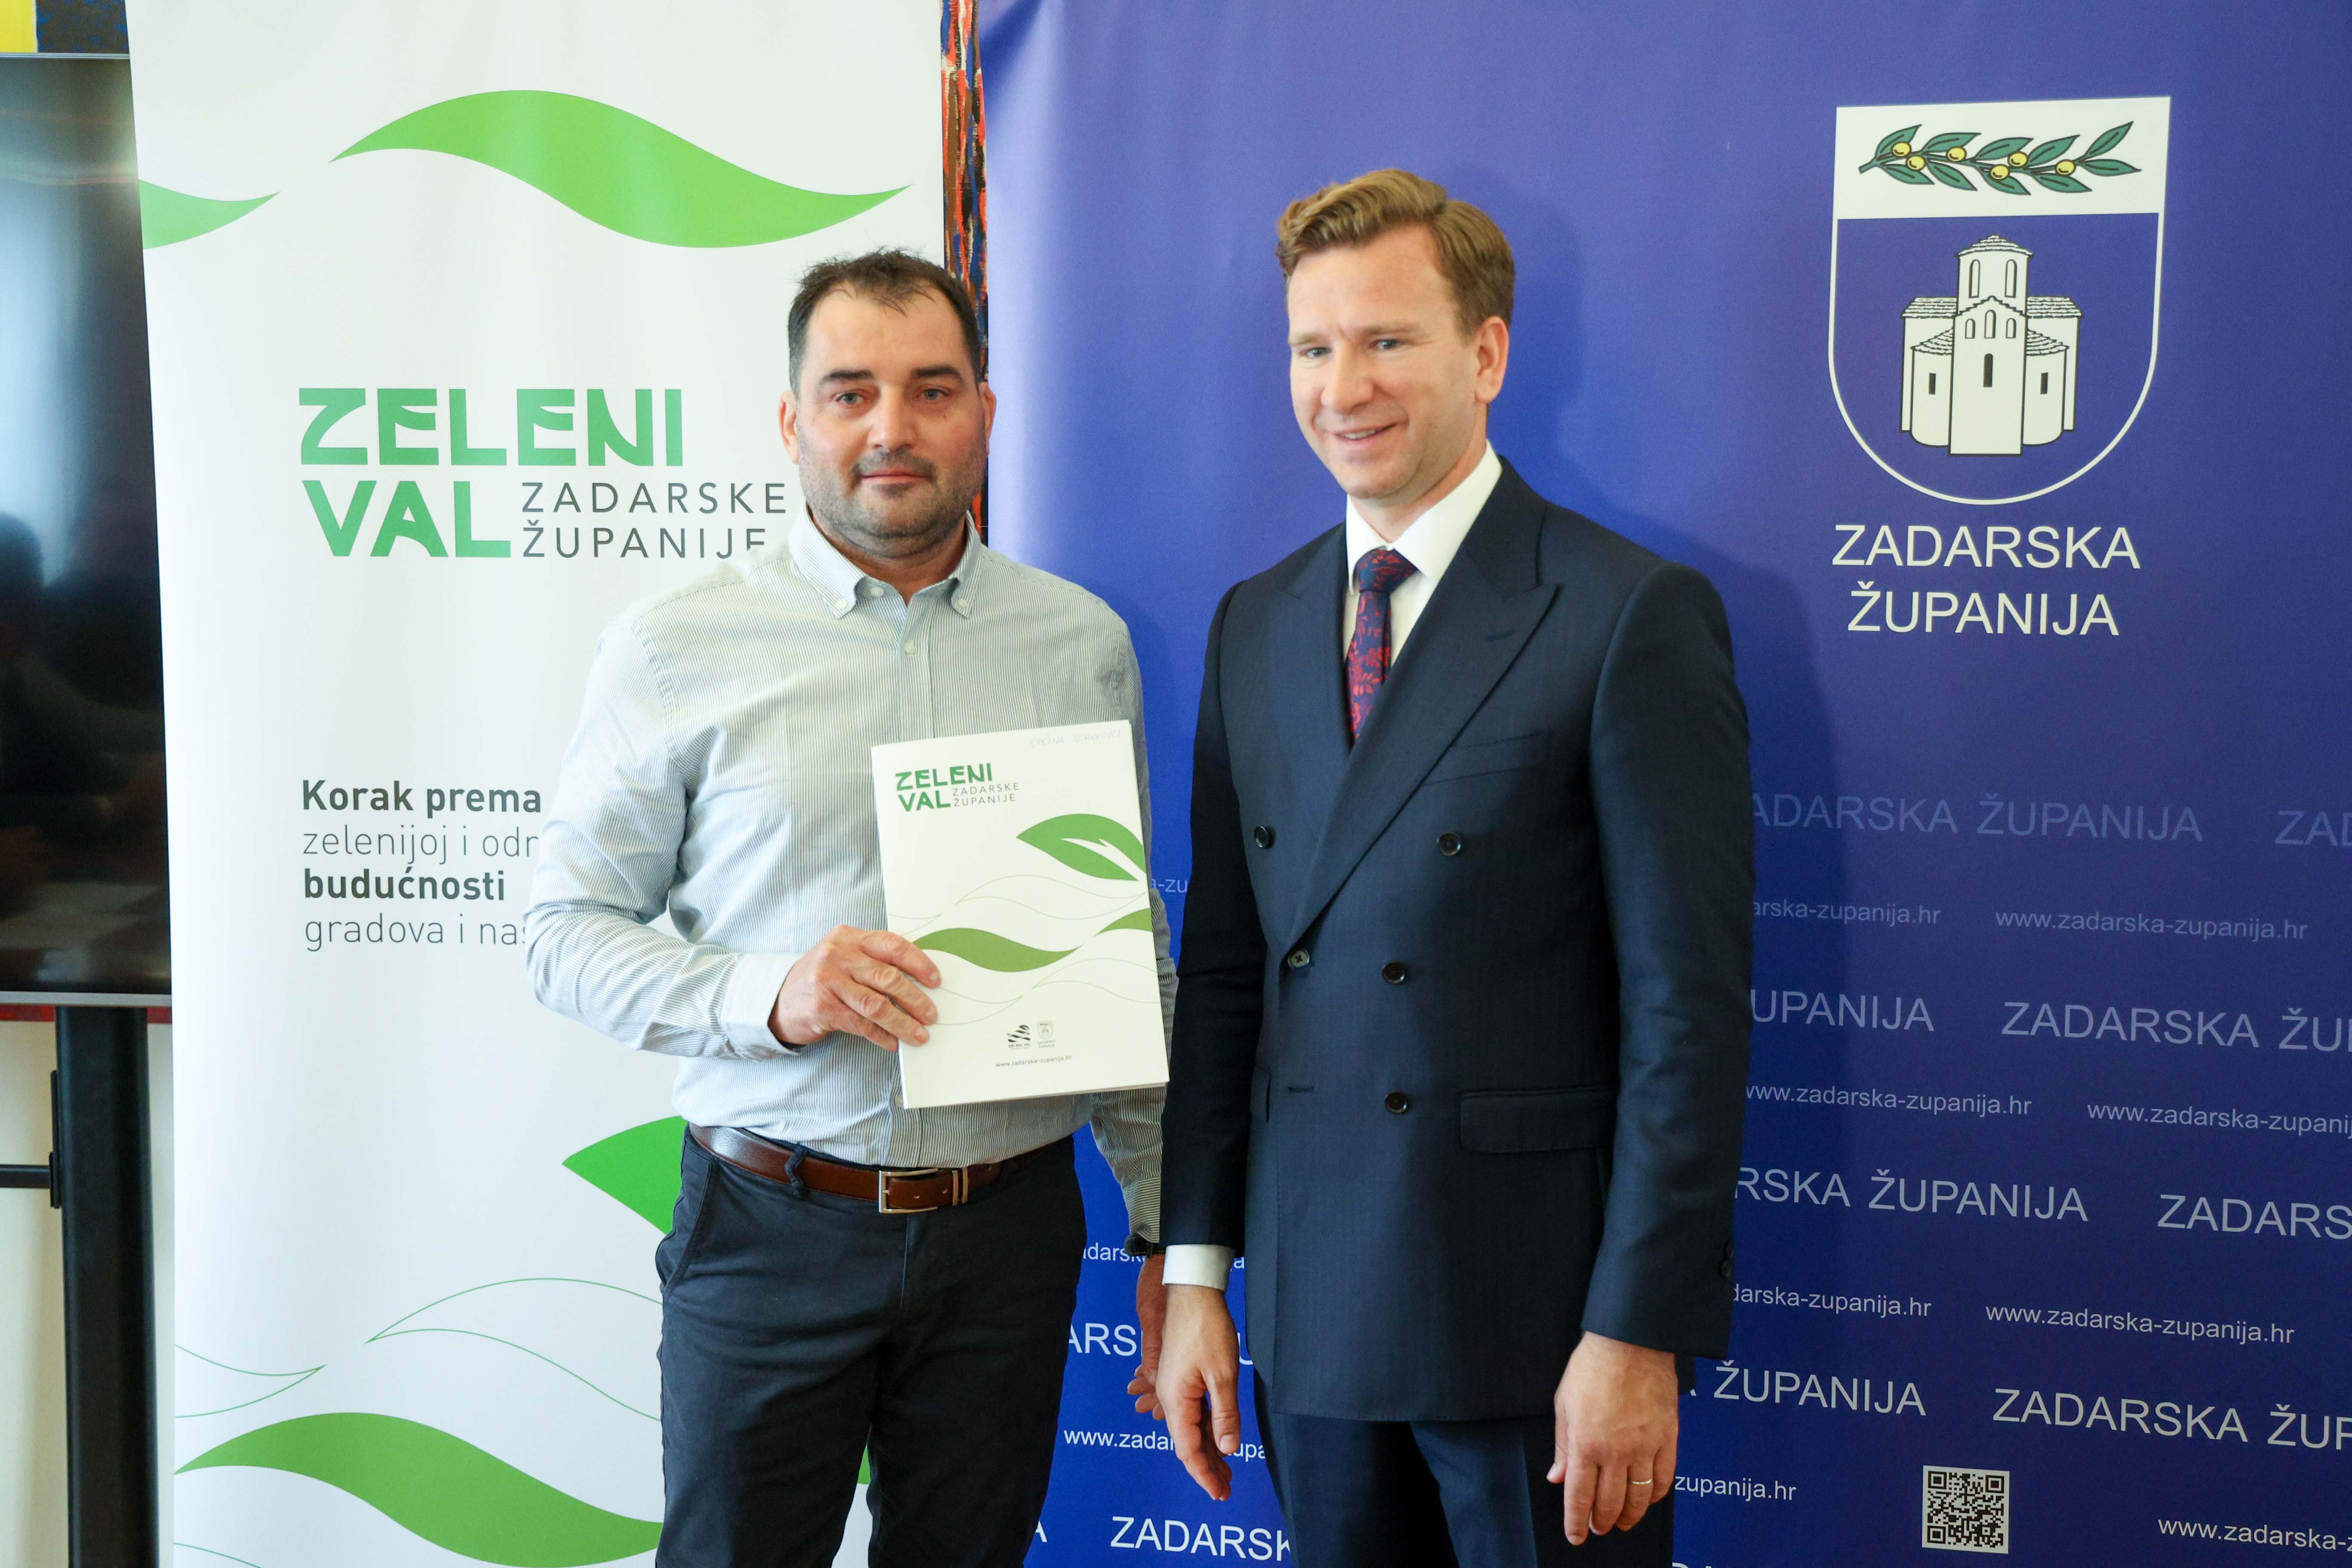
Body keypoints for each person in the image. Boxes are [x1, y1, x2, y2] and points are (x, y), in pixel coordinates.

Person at [526, 249, 1174, 1568]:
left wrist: (1167, 1228)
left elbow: (1125, 958)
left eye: (932, 389)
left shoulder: (1080, 644)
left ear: (985, 412)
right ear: (793, 422)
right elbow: (564, 936)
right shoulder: (674, 647)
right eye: (850, 392)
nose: (892, 428)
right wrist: (772, 993)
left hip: (1009, 1236)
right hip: (773, 1228)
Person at [1152, 170, 1752, 1566]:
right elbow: (1229, 978)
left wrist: (1635, 1331)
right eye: (1312, 347)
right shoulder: (1255, 624)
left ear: (1486, 354)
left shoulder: (1624, 613)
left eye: (1387, 340)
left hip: (1534, 1330)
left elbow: (1687, 1013)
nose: (1342, 387)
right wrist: (1194, 1277)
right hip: (1313, 1314)